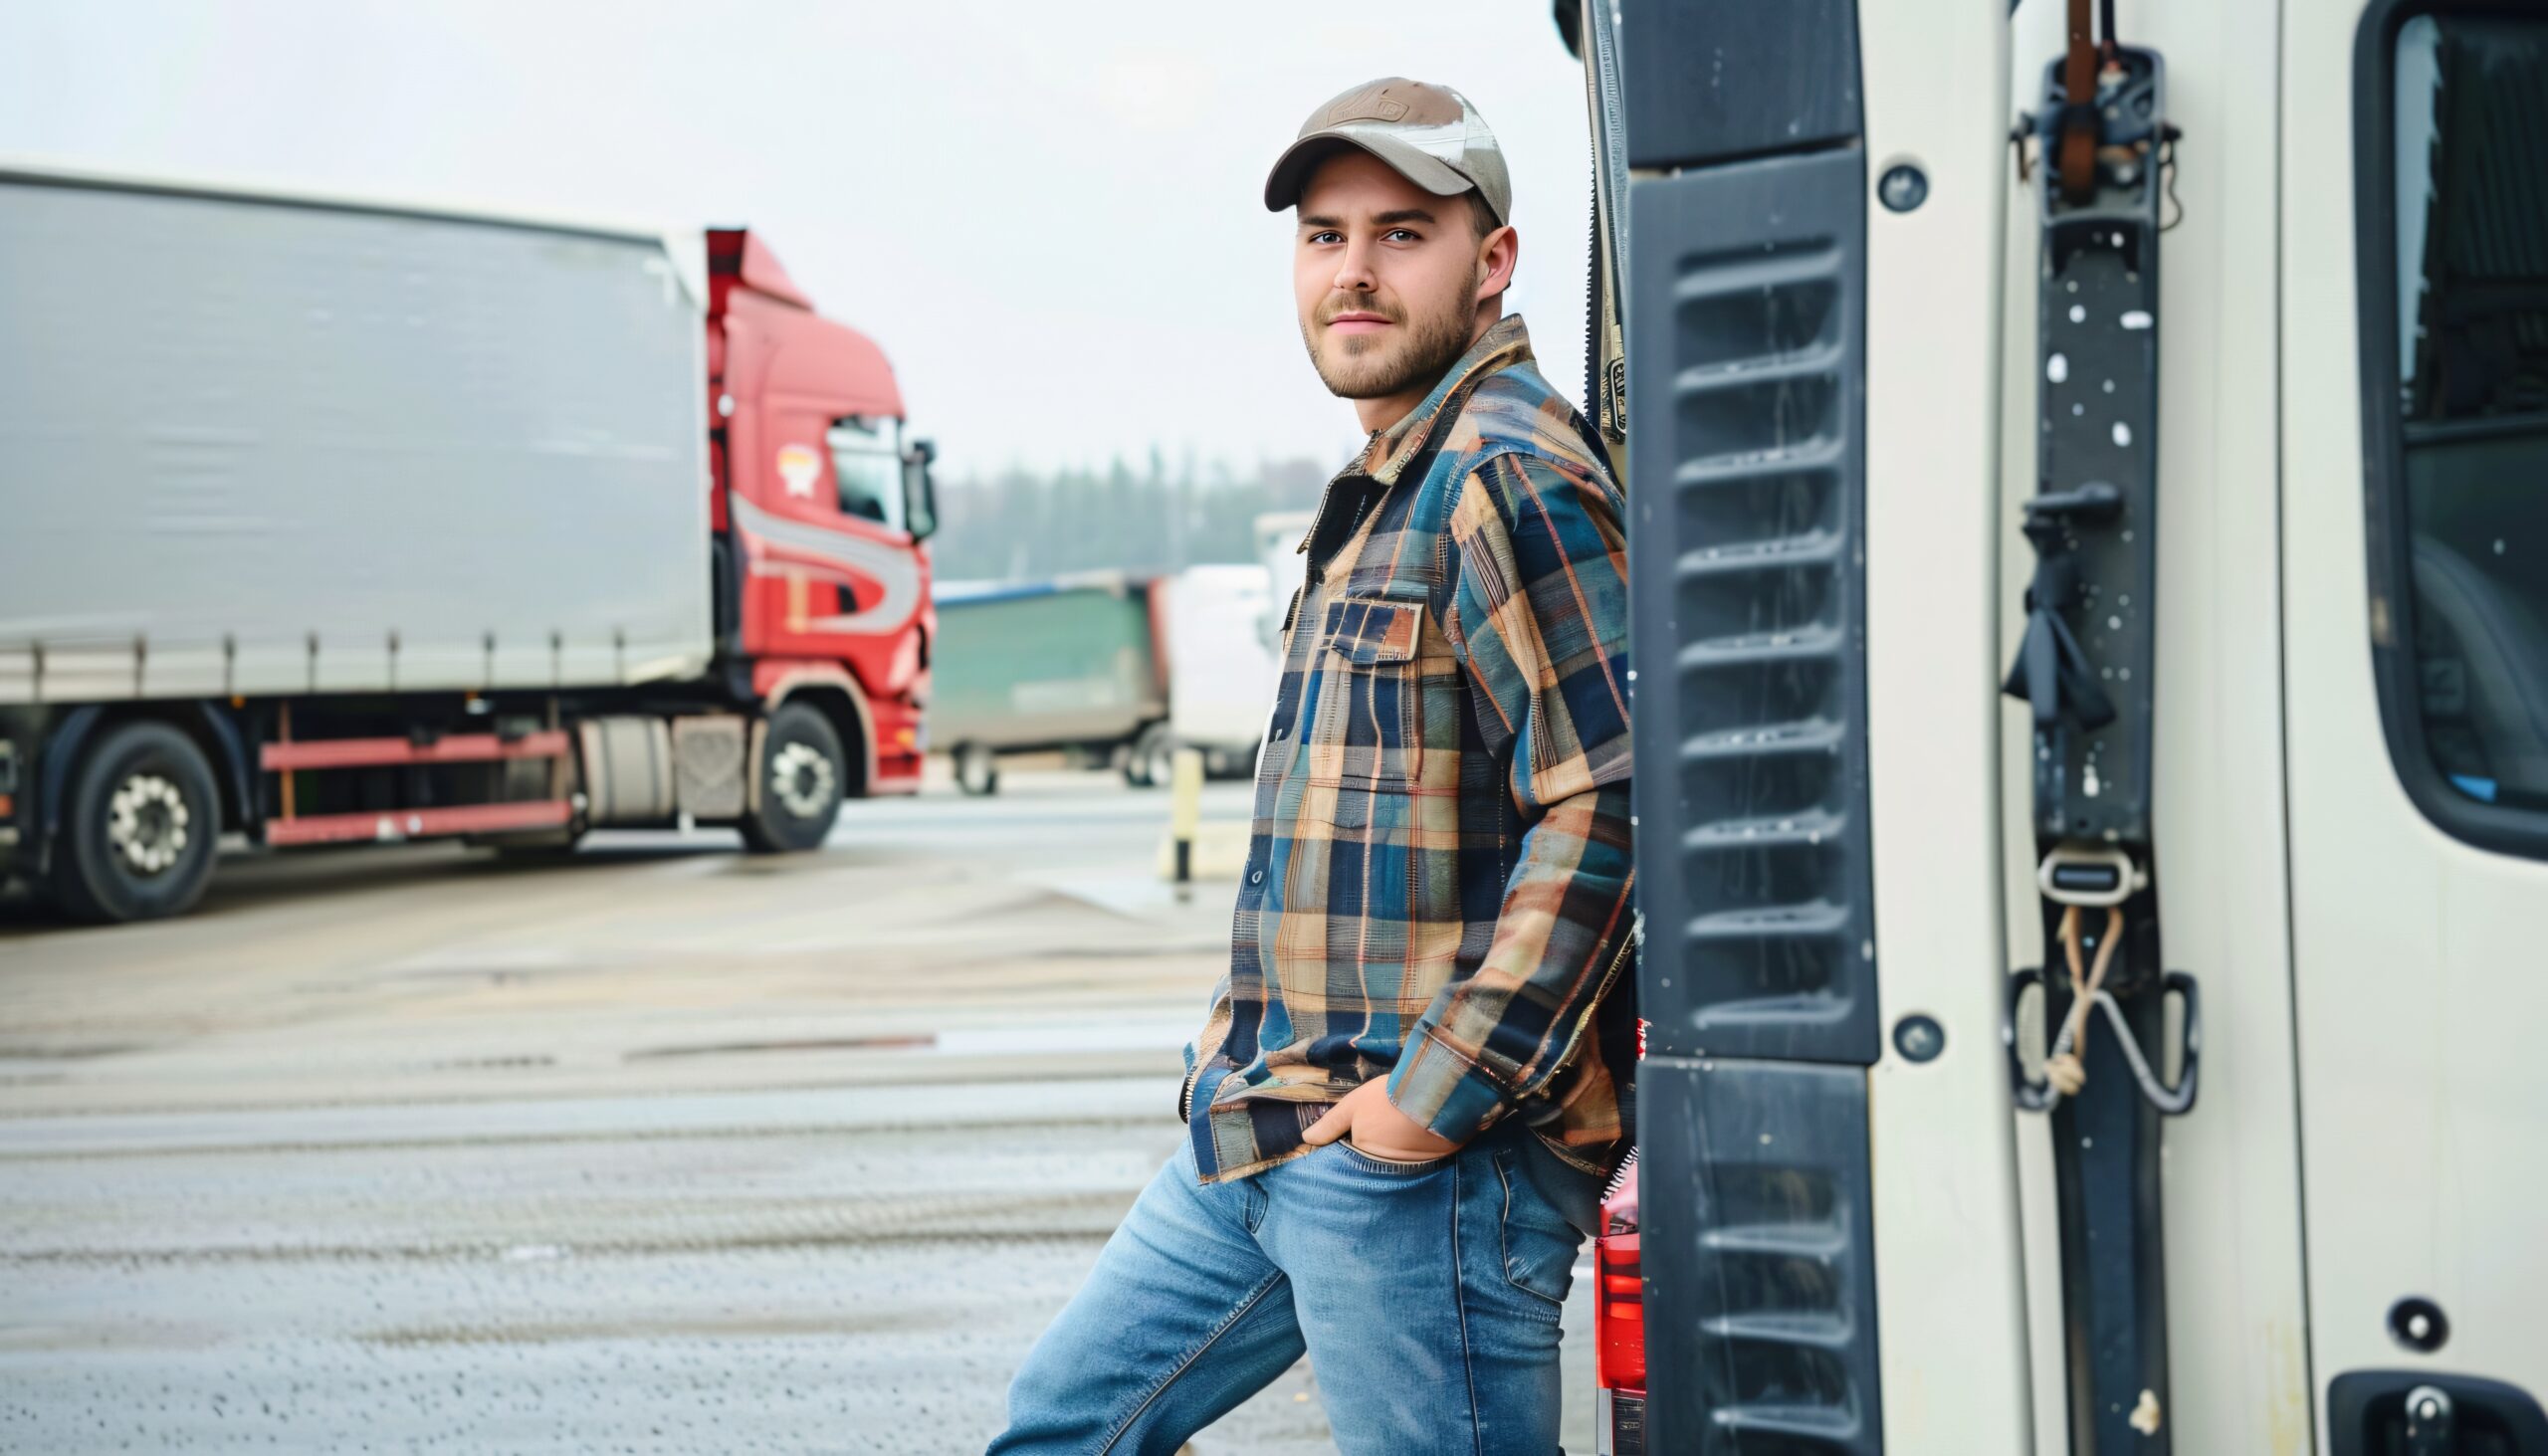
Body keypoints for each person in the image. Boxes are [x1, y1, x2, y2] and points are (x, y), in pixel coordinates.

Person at [989, 78, 1635, 1456]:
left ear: (1494, 260)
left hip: (1420, 1166)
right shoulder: (1390, 479)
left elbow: (1608, 799)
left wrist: (1429, 1105)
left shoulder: (1504, 474)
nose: (1353, 271)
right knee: (1060, 1429)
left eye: (1402, 233)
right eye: (1325, 235)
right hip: (1269, 1122)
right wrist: (1230, 1053)